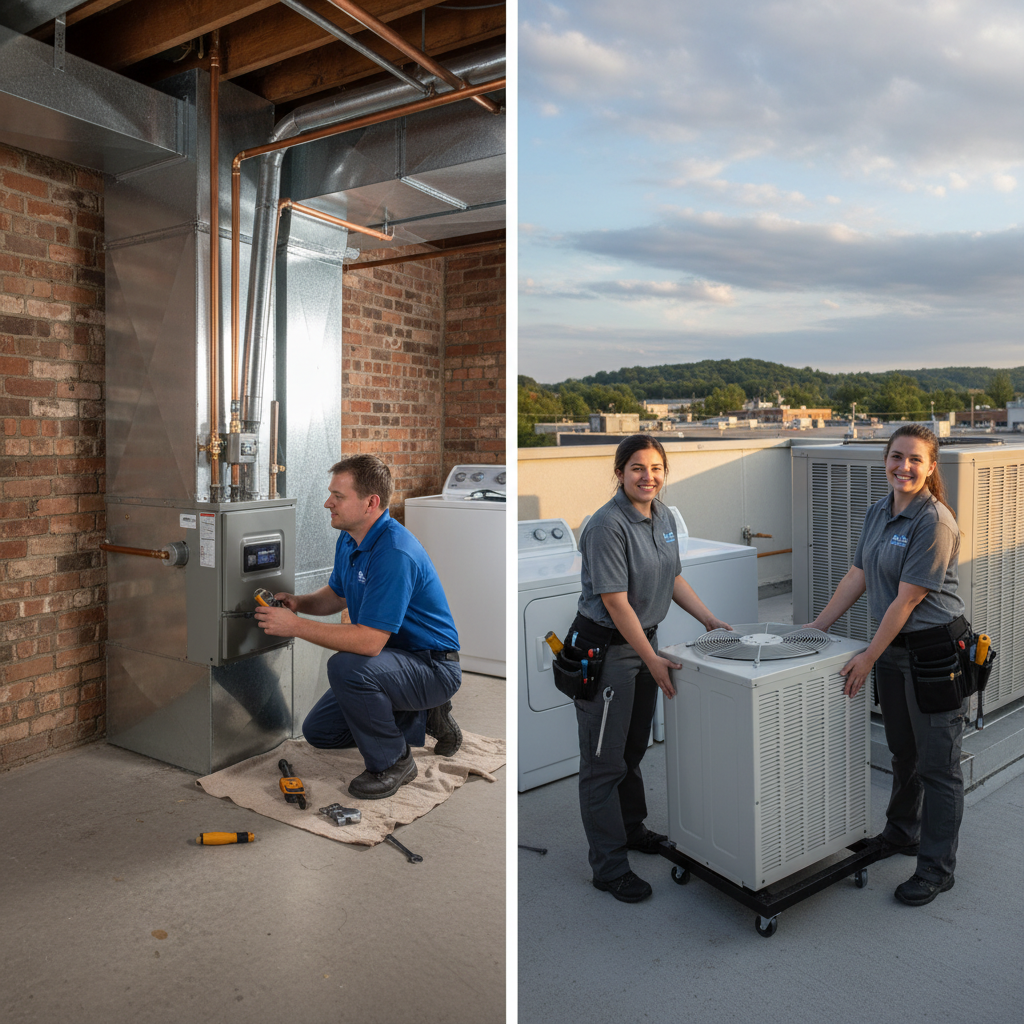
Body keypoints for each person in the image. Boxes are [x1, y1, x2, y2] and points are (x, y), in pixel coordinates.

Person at [808, 424, 967, 907]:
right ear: (885, 461)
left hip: (933, 654)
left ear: (931, 466)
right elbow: (856, 575)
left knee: (939, 767)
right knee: (904, 753)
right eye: (896, 457)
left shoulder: (934, 522)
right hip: (892, 652)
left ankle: (938, 869)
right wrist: (815, 629)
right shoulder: (879, 511)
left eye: (915, 459)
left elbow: (906, 601)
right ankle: (902, 832)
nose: (904, 467)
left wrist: (865, 657)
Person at [571, 434, 731, 903]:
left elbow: (672, 575)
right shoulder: (605, 525)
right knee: (602, 763)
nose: (648, 476)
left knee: (632, 749)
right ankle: (608, 866)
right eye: (638, 468)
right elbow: (616, 604)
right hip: (608, 651)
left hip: (645, 645)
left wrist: (707, 618)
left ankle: (631, 829)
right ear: (619, 472)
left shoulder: (661, 516)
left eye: (656, 468)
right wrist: (651, 659)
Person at [254, 455, 463, 800]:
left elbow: (367, 643)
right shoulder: (351, 538)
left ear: (371, 503)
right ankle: (422, 716)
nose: (327, 503)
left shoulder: (394, 552)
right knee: (320, 732)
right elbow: (337, 595)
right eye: (330, 494)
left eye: (338, 495)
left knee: (346, 666)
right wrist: (299, 603)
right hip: (394, 661)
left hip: (433, 665)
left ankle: (394, 761)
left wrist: (295, 626)